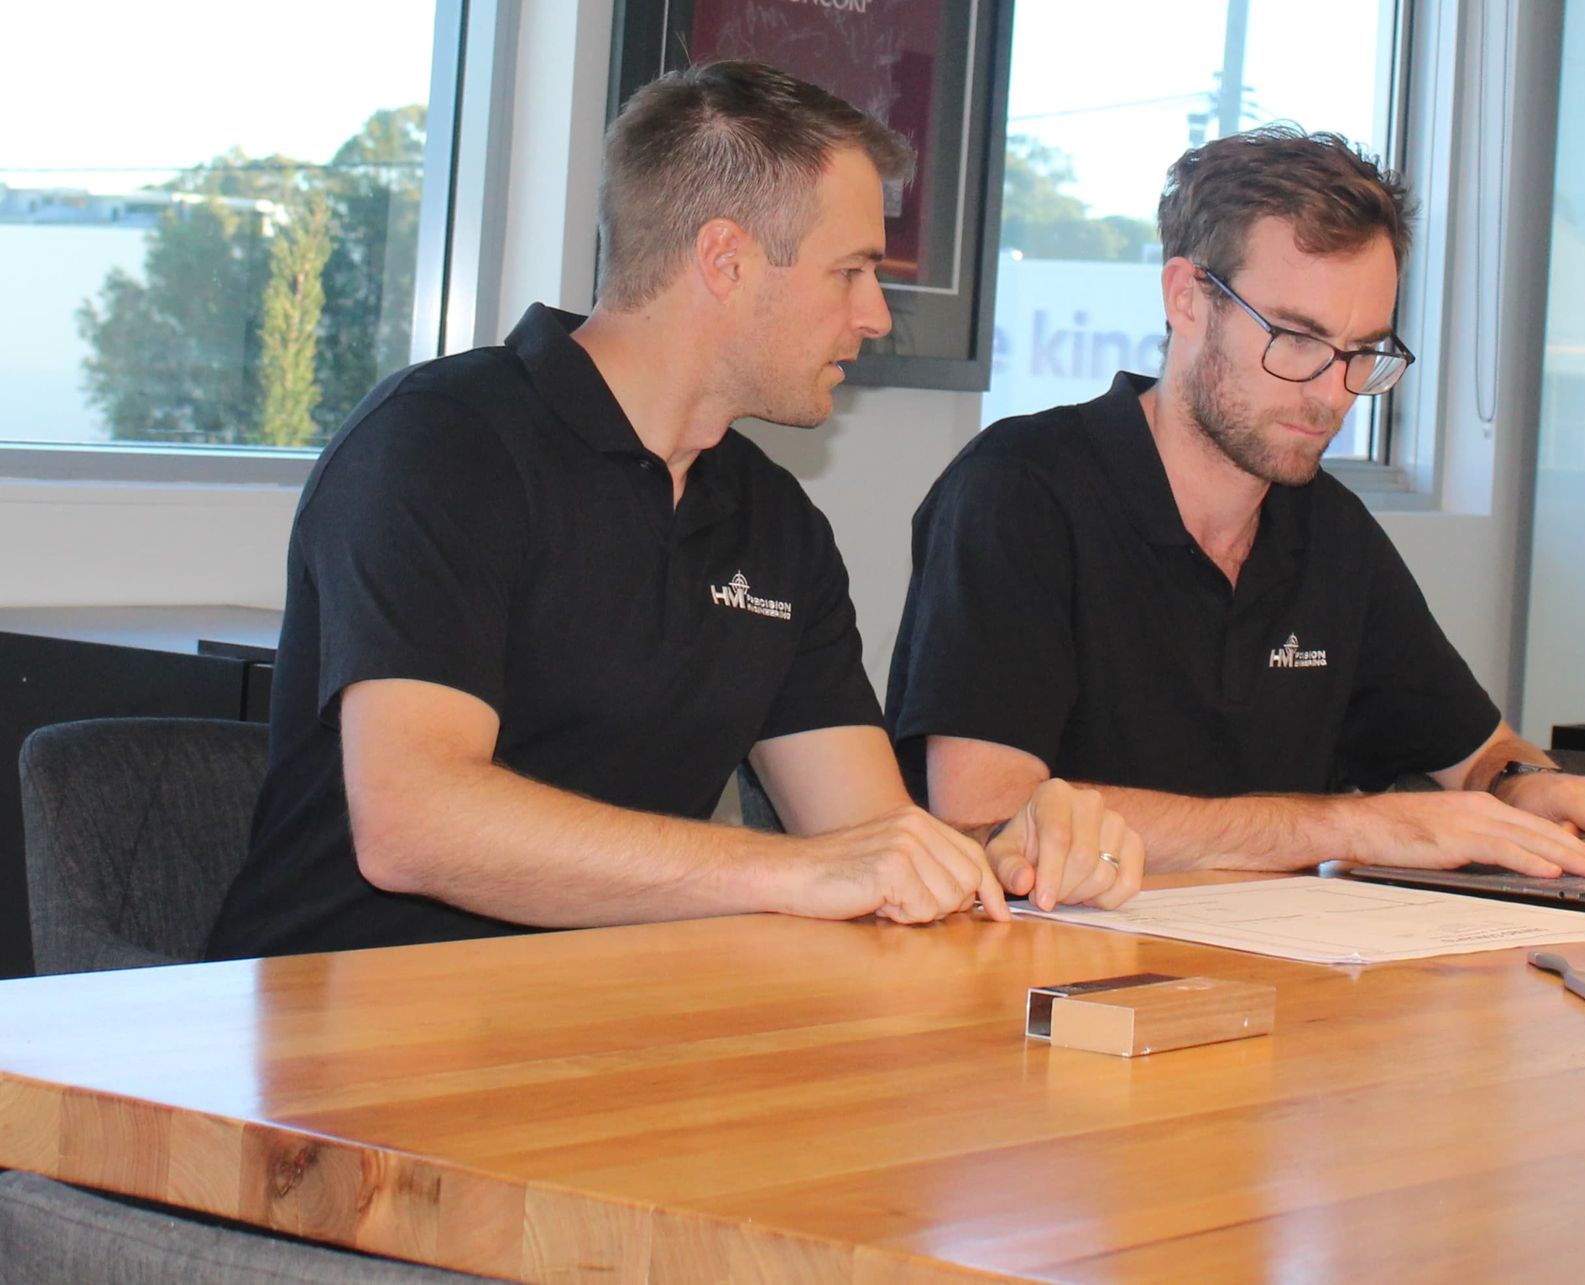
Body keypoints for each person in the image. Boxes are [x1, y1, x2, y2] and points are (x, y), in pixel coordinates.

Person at [206, 62, 1144, 962]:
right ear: (726, 260)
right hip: (341, 1050)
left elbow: (865, 839)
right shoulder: (444, 443)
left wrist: (1006, 853)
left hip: (612, 1029)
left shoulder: (772, 521)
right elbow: (413, 825)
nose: (875, 317)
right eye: (851, 271)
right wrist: (793, 872)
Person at [885, 124, 1585, 880]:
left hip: (1289, 982)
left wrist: (1522, 782)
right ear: (1188, 299)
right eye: (1294, 338)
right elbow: (987, 814)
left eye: (1363, 354)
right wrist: (1358, 825)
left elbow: (1474, 748)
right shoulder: (1019, 490)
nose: (1332, 392)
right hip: (1045, 982)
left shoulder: (1328, 528)